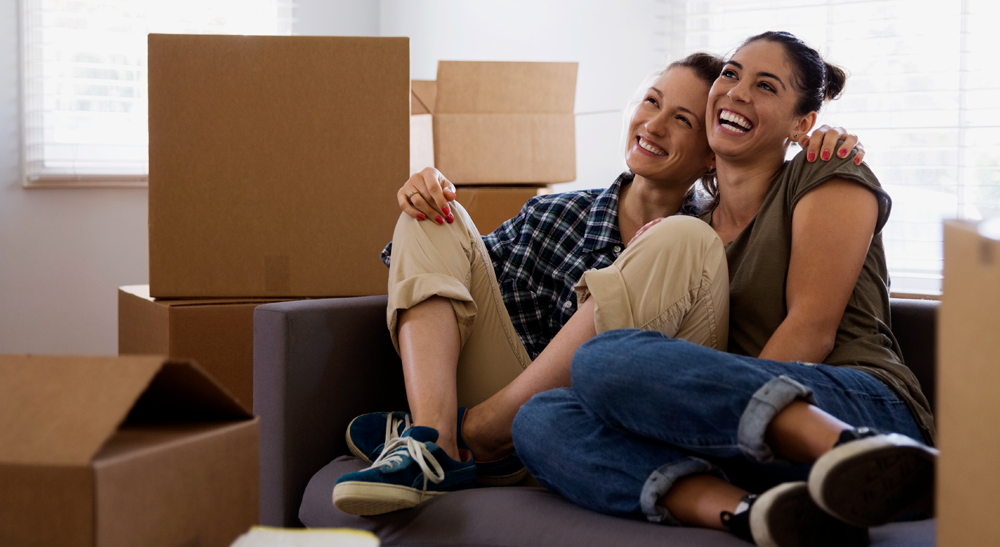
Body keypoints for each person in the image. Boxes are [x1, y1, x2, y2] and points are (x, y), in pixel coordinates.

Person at [331, 50, 861, 517]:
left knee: (683, 238)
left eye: (682, 119)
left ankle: (478, 435)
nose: (653, 126)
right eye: (651, 103)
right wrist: (428, 192)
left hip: (614, 422)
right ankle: (432, 444)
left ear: (711, 154)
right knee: (434, 214)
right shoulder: (554, 214)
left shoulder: (714, 238)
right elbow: (453, 279)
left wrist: (831, 141)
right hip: (519, 406)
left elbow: (784, 181)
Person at [510, 31, 937, 547]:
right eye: (731, 74)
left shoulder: (824, 171)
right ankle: (753, 512)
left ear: (803, 124)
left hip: (852, 401)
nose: (735, 92)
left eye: (766, 86)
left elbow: (812, 331)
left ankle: (856, 452)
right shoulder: (691, 231)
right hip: (746, 444)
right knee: (540, 417)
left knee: (603, 359)